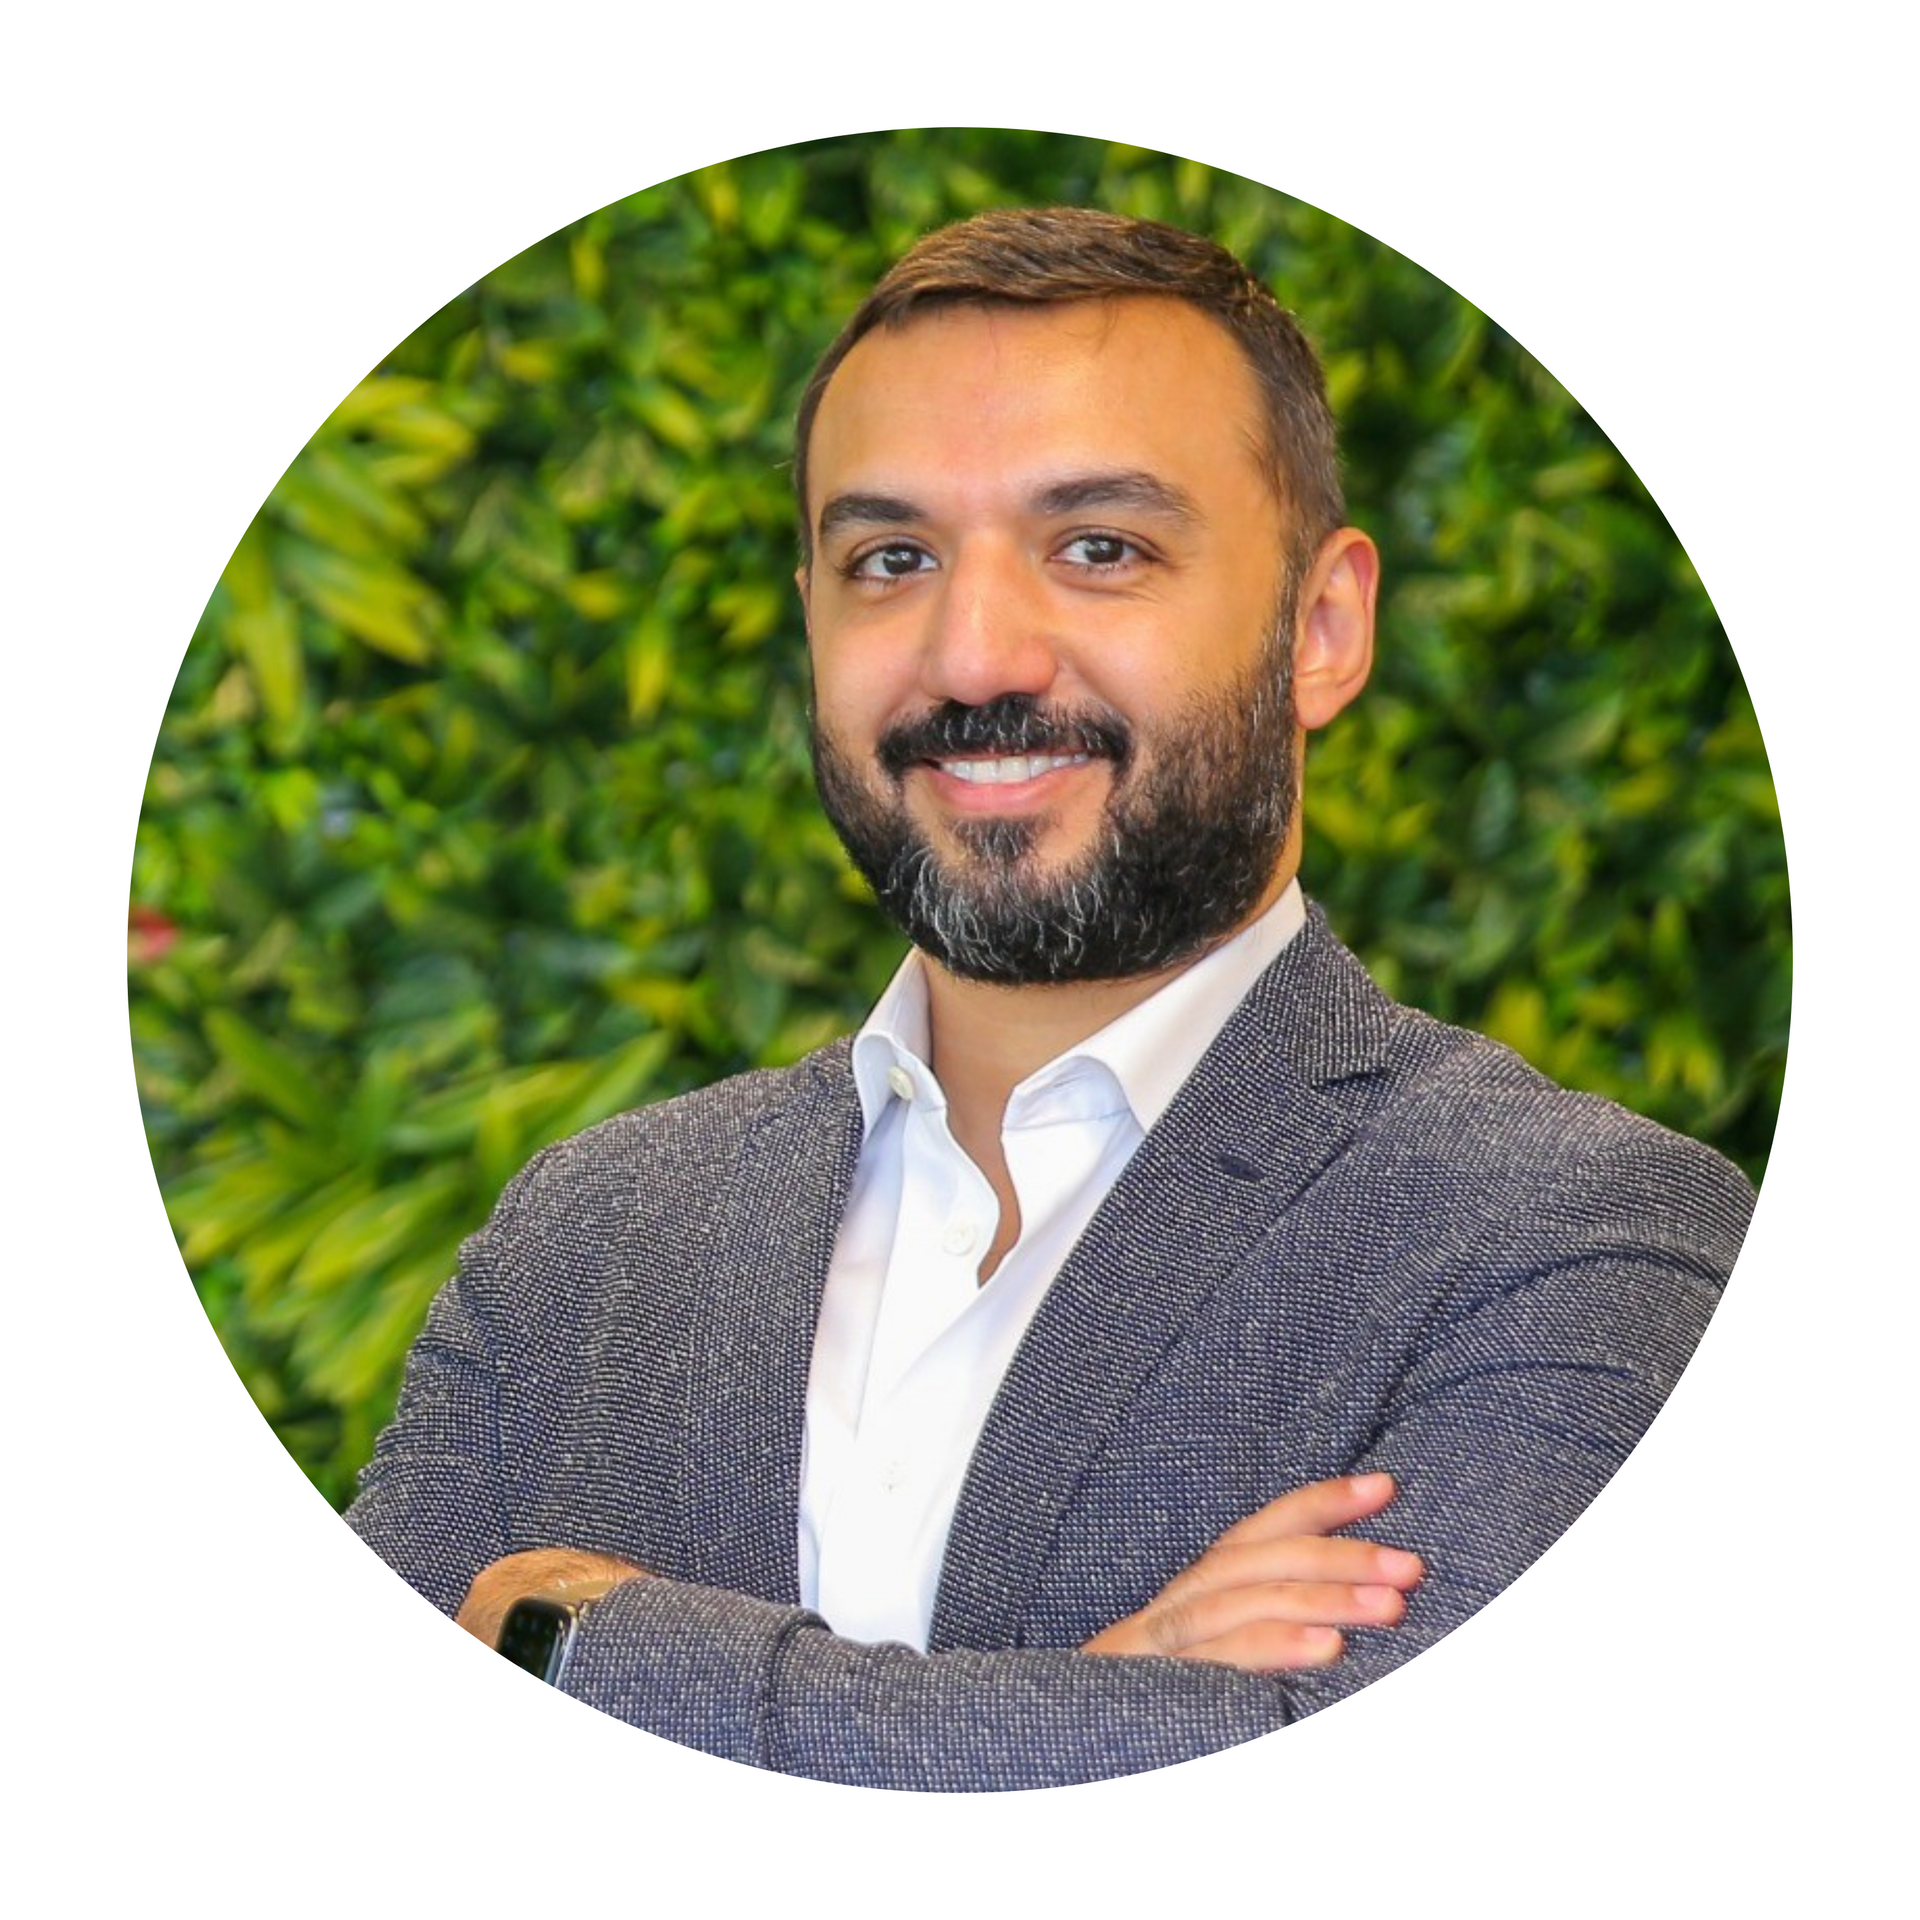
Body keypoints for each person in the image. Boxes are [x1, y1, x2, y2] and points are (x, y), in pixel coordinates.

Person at [345, 207, 1754, 1791]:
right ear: (814, 612)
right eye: (892, 559)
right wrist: (1095, 1712)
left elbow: (1343, 1791)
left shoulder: (1577, 1237)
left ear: (1322, 628)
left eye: (1101, 548)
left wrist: (570, 1650)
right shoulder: (587, 1237)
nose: (974, 654)